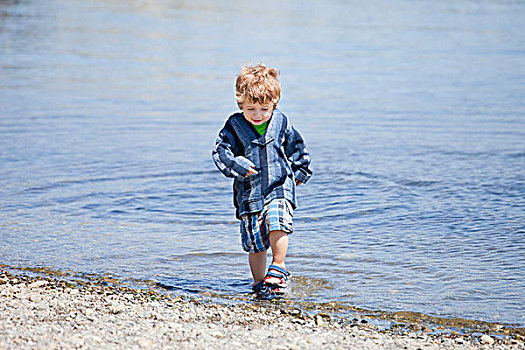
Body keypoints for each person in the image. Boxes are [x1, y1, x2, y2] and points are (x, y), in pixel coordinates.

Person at [212, 64, 312, 299]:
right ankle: (260, 284)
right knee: (255, 242)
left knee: (278, 221)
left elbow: (297, 147)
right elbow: (220, 152)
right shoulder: (234, 127)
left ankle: (279, 266)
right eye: (251, 108)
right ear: (240, 104)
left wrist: (300, 172)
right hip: (249, 194)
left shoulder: (281, 123)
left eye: (264, 109)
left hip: (279, 186)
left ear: (274, 104)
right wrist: (237, 164)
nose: (257, 114)